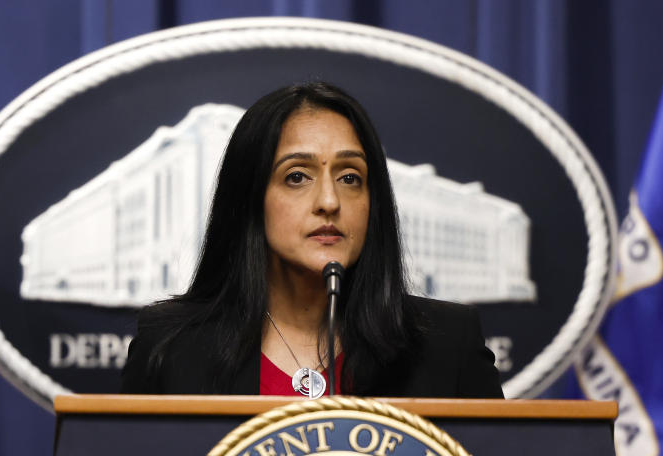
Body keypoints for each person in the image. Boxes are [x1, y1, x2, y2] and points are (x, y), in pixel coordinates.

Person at [120, 82, 504, 399]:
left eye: (350, 177)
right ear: (251, 198)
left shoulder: (448, 346)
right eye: (297, 176)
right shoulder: (170, 348)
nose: (329, 201)